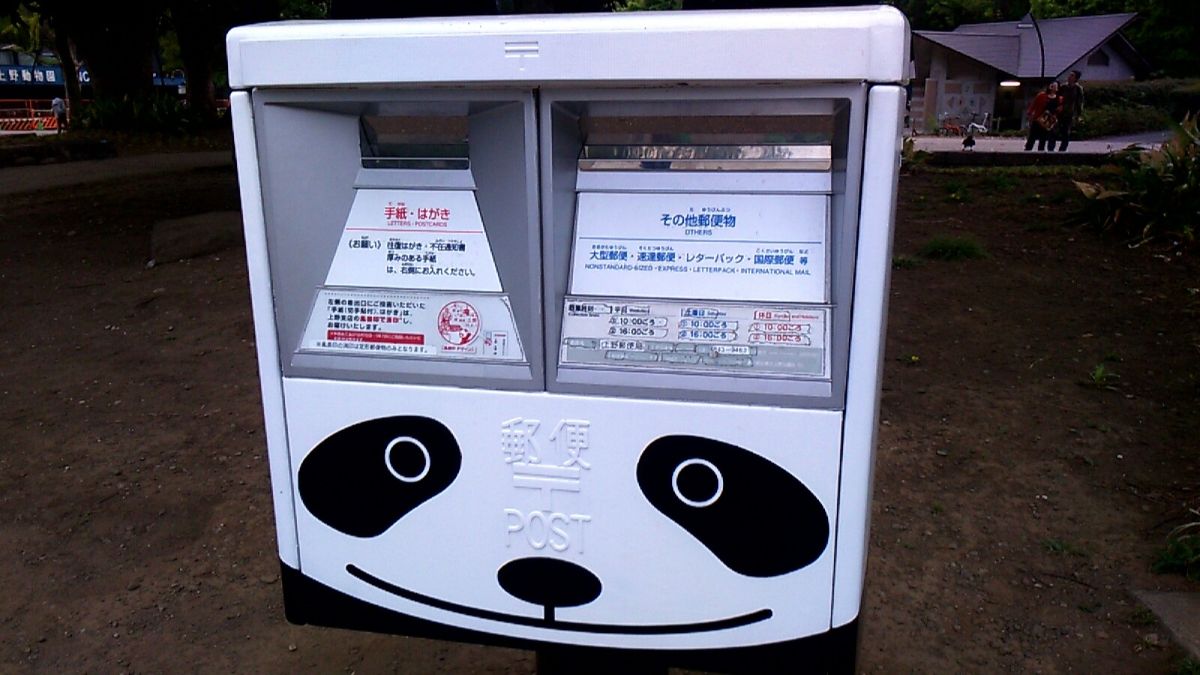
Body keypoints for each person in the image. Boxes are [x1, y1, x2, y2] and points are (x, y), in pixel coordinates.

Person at [1024, 82, 1062, 152]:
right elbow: (1033, 105)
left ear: (1057, 88)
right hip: (1038, 119)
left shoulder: (1059, 98)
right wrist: (1030, 114)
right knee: (1032, 137)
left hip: (1048, 122)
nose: (1052, 87)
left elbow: (1059, 110)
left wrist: (1055, 116)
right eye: (1051, 85)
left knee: (1043, 139)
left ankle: (1040, 153)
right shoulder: (1041, 96)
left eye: (1055, 86)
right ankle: (1027, 151)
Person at [1057, 70, 1084, 152]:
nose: (1069, 77)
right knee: (1056, 130)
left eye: (1072, 75)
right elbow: (1057, 97)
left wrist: (1078, 115)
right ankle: (1051, 148)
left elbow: (1079, 102)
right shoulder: (1063, 87)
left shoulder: (1078, 89)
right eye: (1069, 75)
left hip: (1070, 112)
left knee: (1066, 131)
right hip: (1060, 111)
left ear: (1076, 78)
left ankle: (1062, 149)